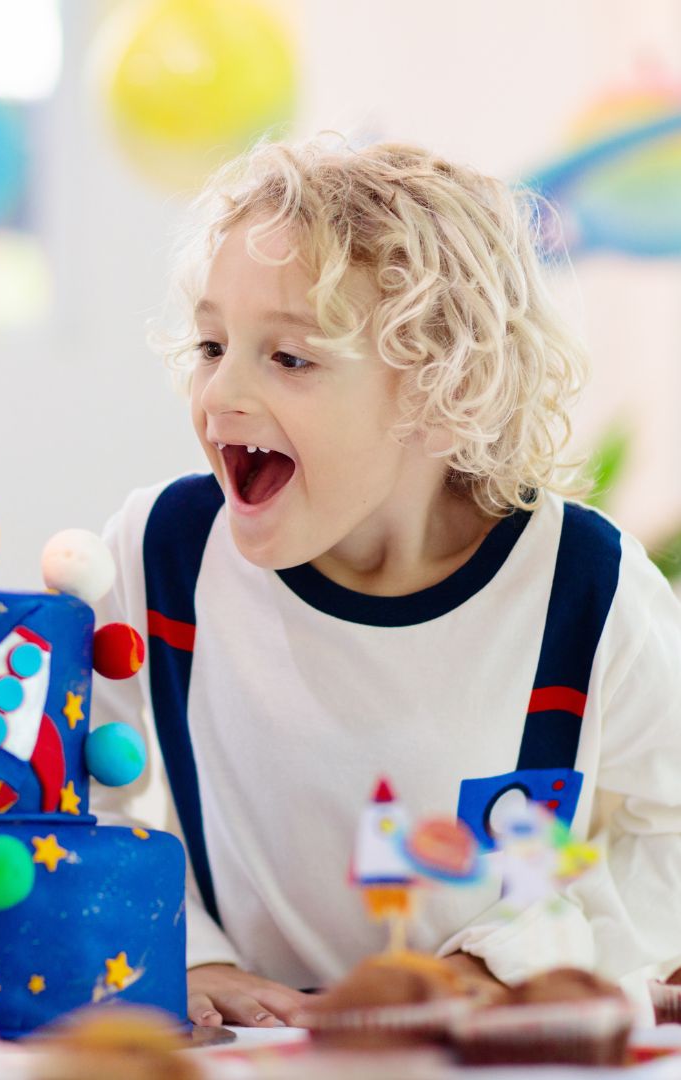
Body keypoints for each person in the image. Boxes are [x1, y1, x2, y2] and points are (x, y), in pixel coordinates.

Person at [90, 136, 681, 1029]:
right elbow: (69, 788)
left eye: (289, 358)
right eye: (213, 344)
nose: (219, 395)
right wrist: (180, 950)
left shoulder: (584, 589)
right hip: (255, 1052)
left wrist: (514, 960)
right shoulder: (157, 555)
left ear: (448, 389)